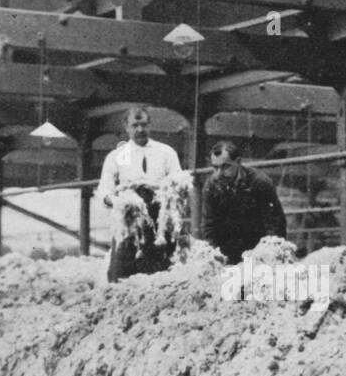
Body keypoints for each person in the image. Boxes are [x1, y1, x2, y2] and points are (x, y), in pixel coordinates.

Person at [96, 107, 183, 282]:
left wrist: (154, 186)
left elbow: (179, 183)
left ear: (150, 125)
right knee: (119, 276)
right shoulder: (116, 156)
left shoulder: (166, 152)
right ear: (126, 127)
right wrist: (117, 202)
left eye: (144, 124)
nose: (140, 130)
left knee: (162, 276)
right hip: (128, 222)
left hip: (159, 223)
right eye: (135, 125)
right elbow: (104, 189)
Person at [200, 141, 287, 264]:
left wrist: (269, 255)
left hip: (258, 249)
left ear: (238, 162)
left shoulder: (260, 182)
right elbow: (209, 226)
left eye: (225, 166)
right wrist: (214, 255)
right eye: (215, 167)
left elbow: (275, 224)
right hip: (228, 250)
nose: (219, 173)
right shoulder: (211, 185)